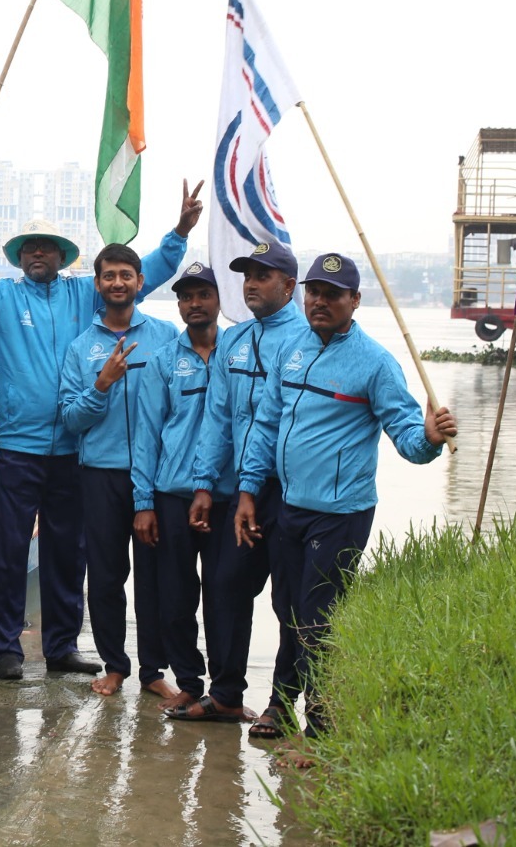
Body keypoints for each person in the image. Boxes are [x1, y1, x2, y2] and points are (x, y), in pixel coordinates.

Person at [0, 176, 203, 680]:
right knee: (9, 551)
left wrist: (179, 232)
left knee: (69, 551)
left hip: (77, 450)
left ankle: (61, 645)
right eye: (30, 248)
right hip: (19, 446)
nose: (39, 254)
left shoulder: (87, 293)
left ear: (63, 256)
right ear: (19, 257)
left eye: (49, 248)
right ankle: (6, 650)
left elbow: (143, 272)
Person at [234, 253, 457, 739]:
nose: (320, 301)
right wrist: (249, 490)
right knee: (286, 609)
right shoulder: (290, 347)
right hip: (289, 506)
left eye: (333, 294)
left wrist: (431, 439)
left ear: (355, 300)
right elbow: (266, 423)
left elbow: (407, 436)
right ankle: (280, 703)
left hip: (340, 513)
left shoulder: (375, 363)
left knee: (317, 616)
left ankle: (321, 719)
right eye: (314, 291)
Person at [185, 240, 308, 739]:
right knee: (223, 585)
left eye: (263, 275)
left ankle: (283, 703)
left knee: (290, 603)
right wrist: (202, 484)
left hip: (292, 493)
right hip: (239, 494)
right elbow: (217, 418)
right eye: (247, 276)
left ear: (289, 285)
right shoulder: (234, 343)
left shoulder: (306, 341)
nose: (251, 284)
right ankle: (227, 694)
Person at [128, 261, 247, 721]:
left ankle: (225, 691)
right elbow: (146, 437)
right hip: (172, 496)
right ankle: (189, 684)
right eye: (186, 296)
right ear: (178, 305)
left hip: (228, 497)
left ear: (220, 300)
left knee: (226, 594)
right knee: (175, 597)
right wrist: (143, 504)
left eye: (204, 294)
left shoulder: (239, 357)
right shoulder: (162, 362)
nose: (195, 304)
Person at [59, 244, 176, 697]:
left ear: (140, 282)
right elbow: (70, 418)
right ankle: (114, 664)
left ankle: (152, 671)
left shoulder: (166, 336)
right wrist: (101, 385)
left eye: (126, 275)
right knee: (106, 575)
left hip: (156, 475)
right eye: (108, 276)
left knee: (154, 575)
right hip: (99, 474)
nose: (117, 283)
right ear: (98, 284)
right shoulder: (81, 348)